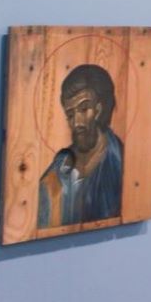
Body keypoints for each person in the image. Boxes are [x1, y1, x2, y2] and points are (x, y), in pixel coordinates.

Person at [38, 65, 124, 227]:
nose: (76, 123)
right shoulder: (58, 170)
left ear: (100, 108)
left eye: (84, 109)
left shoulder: (120, 164)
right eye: (70, 114)